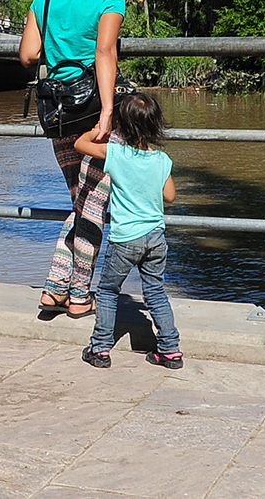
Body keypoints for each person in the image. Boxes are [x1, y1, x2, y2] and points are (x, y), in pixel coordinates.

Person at [19, 0, 125, 318]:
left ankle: (57, 292)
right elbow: (104, 51)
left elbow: (29, 55)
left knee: (81, 201)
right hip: (94, 108)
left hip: (59, 113)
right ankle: (76, 294)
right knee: (92, 203)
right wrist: (108, 112)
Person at [75, 93, 181, 369]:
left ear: (121, 125)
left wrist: (101, 128)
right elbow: (170, 196)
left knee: (108, 291)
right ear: (156, 125)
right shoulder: (161, 159)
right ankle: (170, 350)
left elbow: (79, 144)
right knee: (155, 292)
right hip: (156, 237)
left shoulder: (116, 154)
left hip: (125, 238)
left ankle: (100, 349)